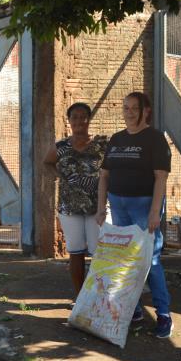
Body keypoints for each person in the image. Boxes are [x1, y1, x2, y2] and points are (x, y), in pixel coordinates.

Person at [95, 91, 173, 338]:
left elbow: (160, 178)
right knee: (125, 260)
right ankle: (134, 309)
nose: (128, 113)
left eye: (133, 108)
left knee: (150, 261)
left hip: (143, 206)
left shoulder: (155, 139)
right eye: (125, 108)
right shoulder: (116, 139)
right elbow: (104, 176)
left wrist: (154, 213)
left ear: (145, 111)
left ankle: (163, 314)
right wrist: (100, 208)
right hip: (118, 206)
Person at [43, 102, 107, 295]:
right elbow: (47, 163)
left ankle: (97, 297)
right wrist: (59, 176)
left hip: (97, 206)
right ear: (69, 121)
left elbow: (111, 168)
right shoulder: (61, 147)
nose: (79, 121)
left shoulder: (102, 145)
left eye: (83, 117)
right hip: (69, 207)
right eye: (75, 117)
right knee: (76, 251)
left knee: (98, 252)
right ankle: (80, 297)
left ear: (89, 119)